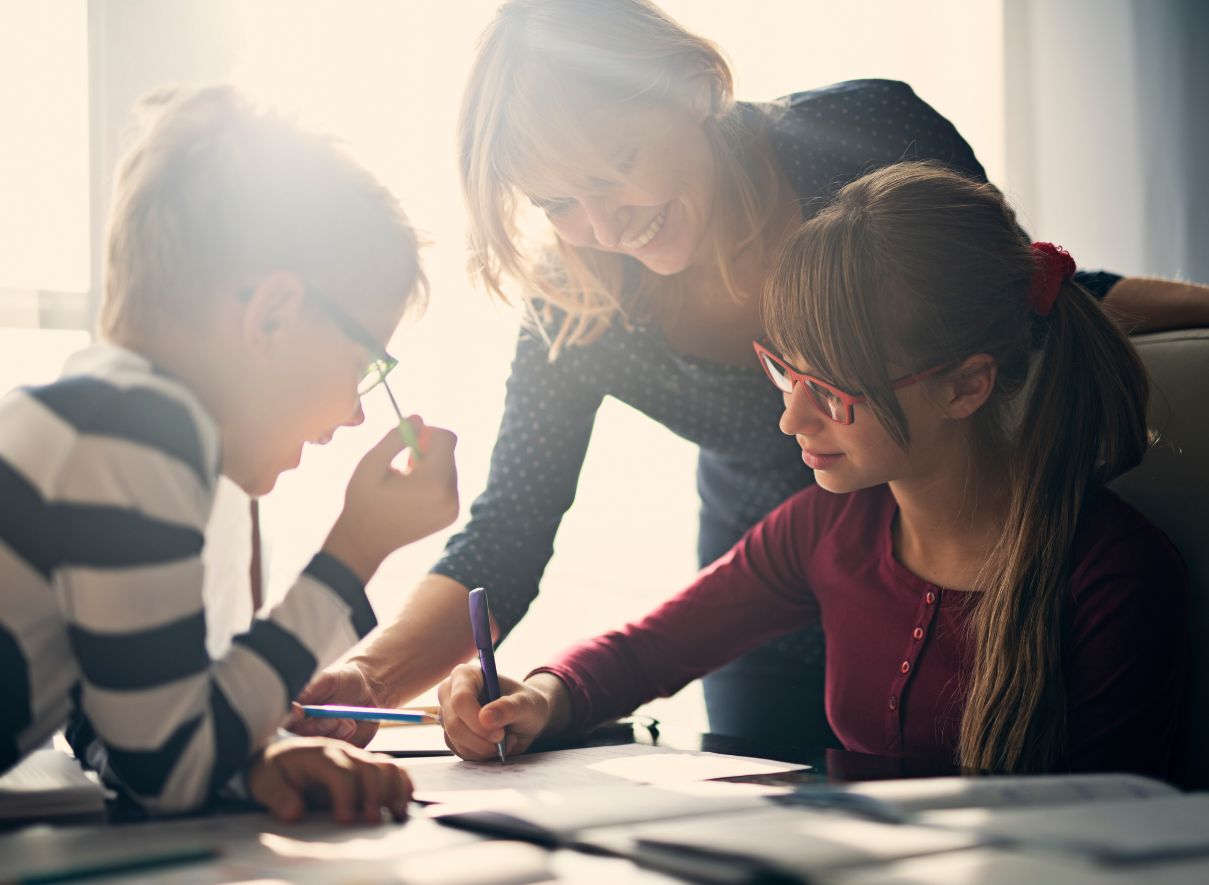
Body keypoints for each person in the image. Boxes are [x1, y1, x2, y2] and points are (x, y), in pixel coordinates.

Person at [294, 0, 1208, 749]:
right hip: (772, 578)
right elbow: (509, 531)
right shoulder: (580, 302)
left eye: (617, 165)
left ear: (691, 86)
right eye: (558, 202)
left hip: (991, 573)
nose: (606, 224)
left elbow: (1016, 290)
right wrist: (369, 679)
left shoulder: (862, 133)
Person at [436, 161, 1188, 776]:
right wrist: (536, 696)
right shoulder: (829, 527)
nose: (791, 419)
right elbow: (646, 649)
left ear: (966, 385)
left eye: (829, 391)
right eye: (785, 374)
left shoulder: (1113, 576)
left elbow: (1103, 834)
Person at [0, 85, 459, 822]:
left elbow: (119, 724)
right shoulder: (136, 436)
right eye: (362, 361)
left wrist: (249, 758)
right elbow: (167, 769)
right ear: (273, 314)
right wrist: (350, 555)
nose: (356, 411)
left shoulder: (96, 417)